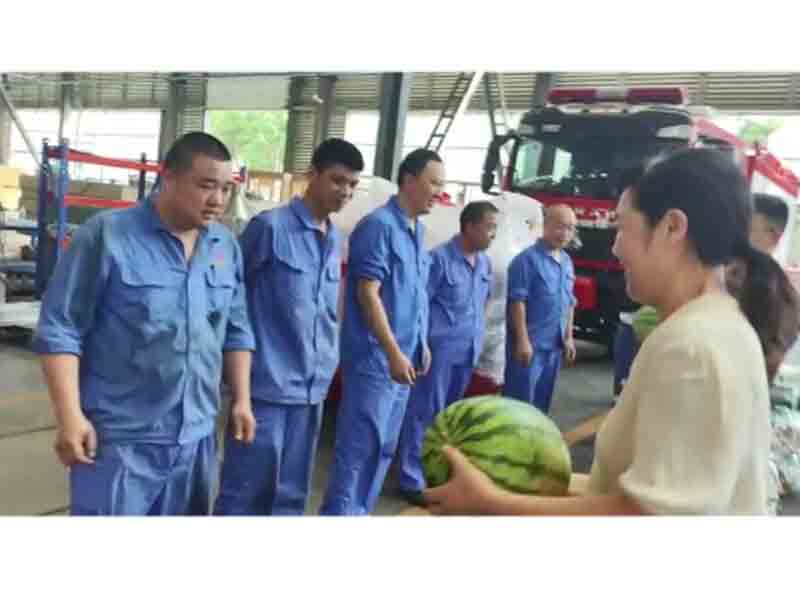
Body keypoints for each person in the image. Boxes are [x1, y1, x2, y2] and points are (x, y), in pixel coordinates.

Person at [425, 147, 792, 516]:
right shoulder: (714, 325)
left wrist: (492, 502)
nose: (616, 248)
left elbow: (651, 517)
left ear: (671, 227)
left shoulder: (693, 347)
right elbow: (644, 492)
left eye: (621, 227)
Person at [34, 132, 256, 516]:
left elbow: (236, 328)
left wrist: (242, 399)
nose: (218, 200)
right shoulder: (107, 236)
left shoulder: (224, 246)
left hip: (196, 436)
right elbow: (60, 330)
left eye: (225, 188)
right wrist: (69, 417)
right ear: (168, 178)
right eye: (206, 186)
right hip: (121, 440)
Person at [213, 139, 364, 516]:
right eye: (337, 180)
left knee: (292, 496)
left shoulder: (334, 238)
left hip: (312, 392)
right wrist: (234, 382)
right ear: (312, 175)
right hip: (266, 388)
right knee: (244, 493)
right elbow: (230, 299)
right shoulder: (269, 228)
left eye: (352, 185)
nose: (345, 192)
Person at [319, 148, 444, 516]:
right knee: (359, 448)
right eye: (434, 183)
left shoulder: (417, 231)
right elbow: (367, 293)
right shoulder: (378, 227)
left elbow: (414, 294)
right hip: (377, 361)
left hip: (403, 360)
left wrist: (420, 342)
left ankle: (361, 513)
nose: (439, 192)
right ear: (409, 180)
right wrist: (392, 352)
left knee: (384, 447)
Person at [396, 200, 499, 506]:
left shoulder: (485, 264)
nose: (493, 234)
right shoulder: (438, 260)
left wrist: (478, 335)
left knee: (451, 417)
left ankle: (437, 472)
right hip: (439, 352)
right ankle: (411, 478)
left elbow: (485, 301)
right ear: (470, 226)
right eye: (489, 227)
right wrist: (422, 344)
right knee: (424, 412)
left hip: (467, 351)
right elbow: (419, 305)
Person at [503, 204, 578, 414]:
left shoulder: (567, 262)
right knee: (519, 405)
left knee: (541, 405)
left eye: (570, 228)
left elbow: (569, 301)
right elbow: (517, 302)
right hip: (530, 347)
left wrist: (568, 337)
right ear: (545, 225)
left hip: (554, 347)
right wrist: (522, 340)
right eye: (559, 226)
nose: (564, 234)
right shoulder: (526, 261)